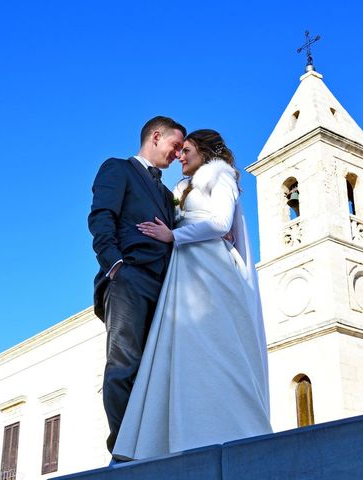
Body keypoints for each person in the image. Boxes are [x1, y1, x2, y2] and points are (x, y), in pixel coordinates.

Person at [112, 129, 272, 460]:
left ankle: (229, 428)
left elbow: (220, 221)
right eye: (179, 150)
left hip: (210, 269)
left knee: (214, 347)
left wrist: (173, 235)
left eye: (186, 150)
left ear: (204, 150)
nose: (180, 157)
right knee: (182, 351)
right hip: (183, 272)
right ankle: (175, 436)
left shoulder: (219, 174)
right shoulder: (181, 187)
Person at [88, 116, 186, 455]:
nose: (178, 155)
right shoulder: (117, 168)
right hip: (127, 278)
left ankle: (149, 446)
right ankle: (124, 448)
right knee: (124, 363)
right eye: (175, 146)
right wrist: (114, 264)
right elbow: (102, 216)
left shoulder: (166, 192)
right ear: (156, 137)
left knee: (155, 369)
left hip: (163, 288)